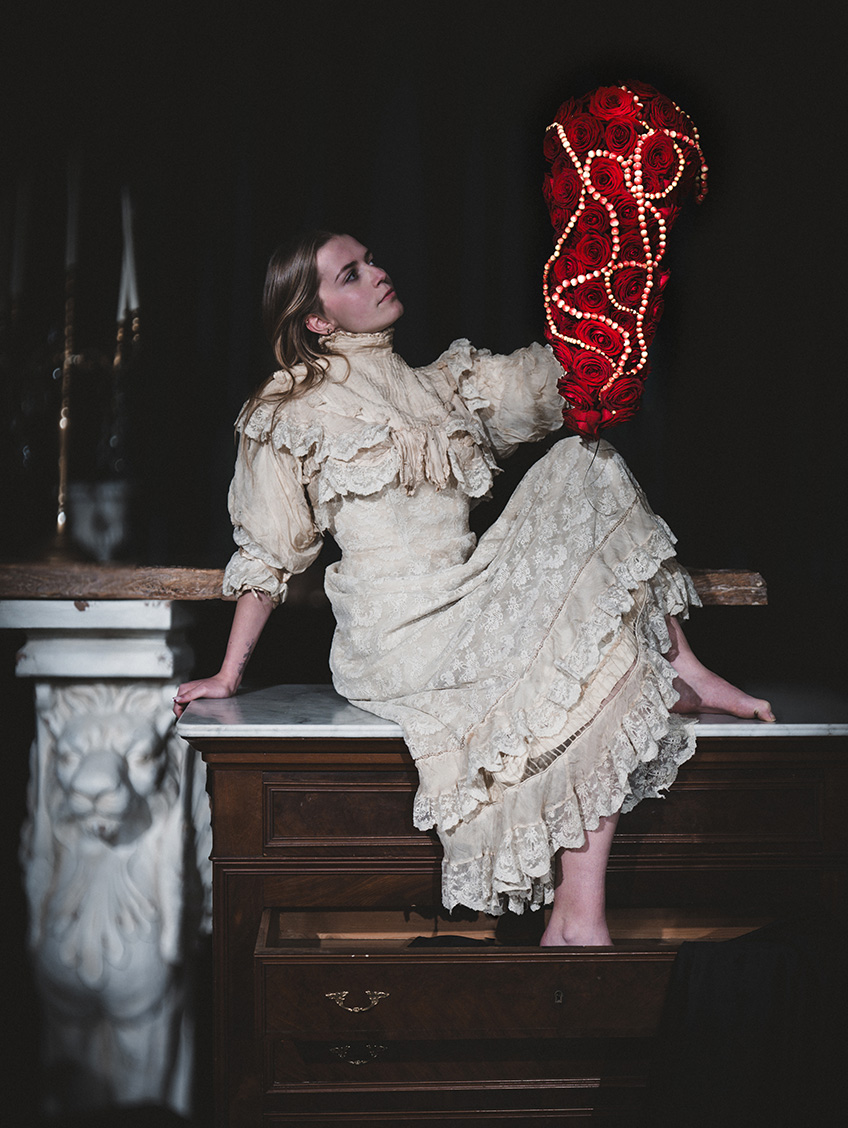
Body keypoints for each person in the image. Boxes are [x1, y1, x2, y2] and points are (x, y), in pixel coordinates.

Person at [174, 231, 773, 946]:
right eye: (352, 274)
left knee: (587, 463)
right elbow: (270, 551)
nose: (379, 274)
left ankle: (584, 899)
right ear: (318, 320)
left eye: (372, 260)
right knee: (602, 667)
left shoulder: (445, 385)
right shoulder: (288, 409)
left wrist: (605, 284)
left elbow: (557, 383)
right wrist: (227, 672)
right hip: (397, 638)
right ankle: (581, 919)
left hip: (471, 594)